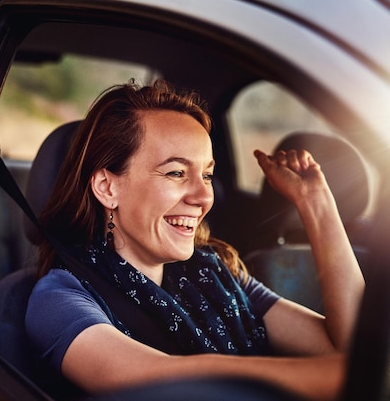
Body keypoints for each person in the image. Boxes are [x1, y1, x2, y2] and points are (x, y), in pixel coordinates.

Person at [25, 80, 364, 400]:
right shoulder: (59, 299)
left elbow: (350, 345)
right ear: (107, 187)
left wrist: (315, 203)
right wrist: (351, 376)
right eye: (176, 172)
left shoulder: (214, 273)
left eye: (207, 175)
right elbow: (165, 379)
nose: (204, 196)